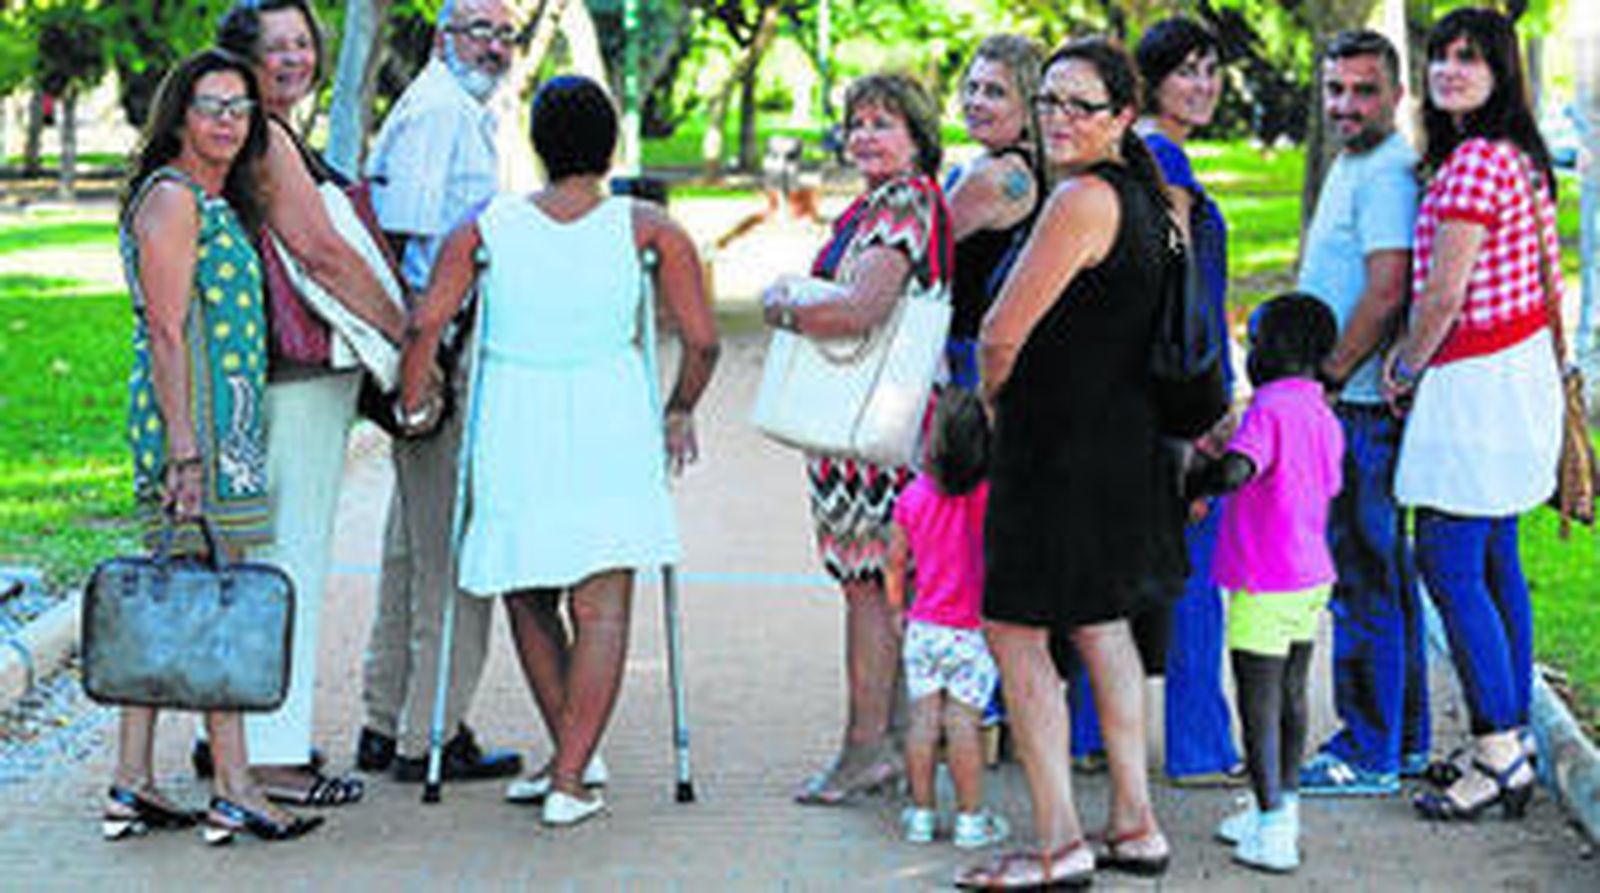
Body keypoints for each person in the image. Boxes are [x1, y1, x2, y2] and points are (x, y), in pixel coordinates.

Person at [397, 74, 720, 827]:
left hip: (518, 413)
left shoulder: (488, 224)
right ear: (610, 146)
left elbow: (426, 326)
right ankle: (573, 768)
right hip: (610, 410)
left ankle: (571, 761)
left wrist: (415, 400)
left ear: (537, 146)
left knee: (527, 588)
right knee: (601, 607)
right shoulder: (651, 228)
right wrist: (678, 407)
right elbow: (702, 341)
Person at [957, 38, 1182, 888]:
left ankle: (1057, 844)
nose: (1056, 118)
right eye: (1046, 100)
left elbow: (1000, 334)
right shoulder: (1148, 198)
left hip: (1055, 450)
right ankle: (1134, 822)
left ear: (1122, 115)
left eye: (1079, 105)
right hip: (1121, 443)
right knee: (1102, 627)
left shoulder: (1081, 199)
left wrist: (987, 403)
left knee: (1016, 631)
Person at [195, 0, 408, 807]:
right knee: (291, 555)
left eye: (301, 43)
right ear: (242, 58)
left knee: (253, 551)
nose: (293, 58)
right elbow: (318, 249)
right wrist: (399, 328)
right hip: (298, 372)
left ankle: (229, 735)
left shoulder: (230, 129)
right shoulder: (269, 138)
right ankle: (274, 751)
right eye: (275, 47)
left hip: (253, 370)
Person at [111, 48, 319, 844]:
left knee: (176, 595)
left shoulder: (211, 195)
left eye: (241, 107)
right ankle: (235, 786)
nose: (229, 120)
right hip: (193, 428)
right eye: (212, 105)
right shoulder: (172, 199)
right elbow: (166, 331)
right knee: (215, 601)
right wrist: (186, 454)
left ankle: (131, 779)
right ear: (179, 114)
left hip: (222, 428)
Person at [1383, 6, 1562, 822]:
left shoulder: (1471, 166)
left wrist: (1404, 364)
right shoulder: (1516, 157)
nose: (1450, 71)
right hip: (1515, 376)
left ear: (1500, 73)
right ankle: (1511, 740)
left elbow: (1445, 294)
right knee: (1493, 558)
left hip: (1474, 384)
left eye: (1470, 59)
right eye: (1440, 58)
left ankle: (1495, 755)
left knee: (1448, 559)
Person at [760, 73, 953, 806]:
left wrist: (786, 306)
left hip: (873, 439)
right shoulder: (883, 203)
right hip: (868, 433)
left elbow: (865, 306)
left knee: (870, 589)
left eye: (884, 123)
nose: (866, 134)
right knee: (884, 589)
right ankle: (900, 742)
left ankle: (863, 749)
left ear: (916, 137)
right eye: (858, 122)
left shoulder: (905, 201)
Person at [355, 0, 522, 785]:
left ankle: (387, 721)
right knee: (451, 555)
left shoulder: (458, 110)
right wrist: (420, 372)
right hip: (441, 353)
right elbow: (407, 245)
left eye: (504, 34)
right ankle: (431, 732)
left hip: (436, 350)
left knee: (408, 549)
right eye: (477, 31)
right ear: (440, 37)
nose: (493, 47)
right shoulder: (438, 113)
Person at [1296, 29, 1431, 797]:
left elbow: (1386, 289)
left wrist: (1328, 373)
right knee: (1381, 573)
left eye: (1364, 90)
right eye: (1335, 90)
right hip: (1351, 403)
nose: (1347, 105)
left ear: (1396, 95)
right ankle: (1402, 740)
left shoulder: (1385, 173)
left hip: (1356, 408)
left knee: (1362, 577)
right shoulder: (1357, 163)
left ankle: (1368, 746)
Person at [1190, 294, 1344, 873]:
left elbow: (1240, 470)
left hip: (1263, 580)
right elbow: (1325, 487)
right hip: (1310, 577)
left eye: (1254, 342)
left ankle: (1273, 830)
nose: (1250, 354)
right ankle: (1279, 808)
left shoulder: (1269, 408)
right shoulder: (1324, 414)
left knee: (1257, 705)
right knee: (1292, 698)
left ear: (1278, 349)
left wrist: (1196, 482)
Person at [884, 390, 1007, 850]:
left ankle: (920, 813)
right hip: (974, 631)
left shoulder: (913, 497)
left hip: (924, 627)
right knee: (963, 723)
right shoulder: (989, 499)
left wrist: (898, 609)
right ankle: (970, 820)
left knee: (922, 722)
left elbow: (894, 561)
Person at [944, 35, 1043, 390]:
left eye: (995, 92)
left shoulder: (995, 177)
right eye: (972, 88)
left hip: (970, 361)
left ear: (1031, 105)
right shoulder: (1037, 166)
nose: (975, 102)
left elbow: (918, 252)